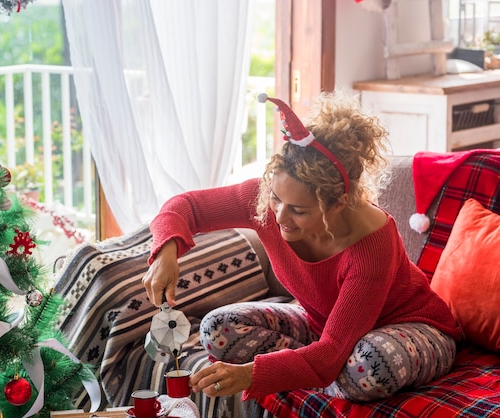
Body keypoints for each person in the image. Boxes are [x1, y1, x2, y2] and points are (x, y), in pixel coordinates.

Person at [141, 91, 461, 403]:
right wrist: (166, 252)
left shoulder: (373, 247)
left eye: (299, 210)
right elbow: (185, 207)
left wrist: (251, 374)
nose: (280, 216)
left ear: (339, 203)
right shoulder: (265, 201)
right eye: (277, 199)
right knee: (216, 329)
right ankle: (308, 371)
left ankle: (310, 373)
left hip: (411, 330)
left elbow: (331, 353)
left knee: (367, 366)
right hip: (323, 329)